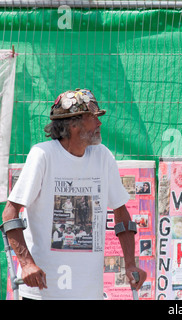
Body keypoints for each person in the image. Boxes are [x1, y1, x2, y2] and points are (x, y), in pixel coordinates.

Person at [2, 88, 146, 300]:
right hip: (43, 292)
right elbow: (10, 213)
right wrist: (26, 264)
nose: (99, 124)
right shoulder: (43, 155)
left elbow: (122, 214)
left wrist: (131, 263)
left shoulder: (102, 156)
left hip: (88, 293)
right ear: (73, 124)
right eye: (92, 118)